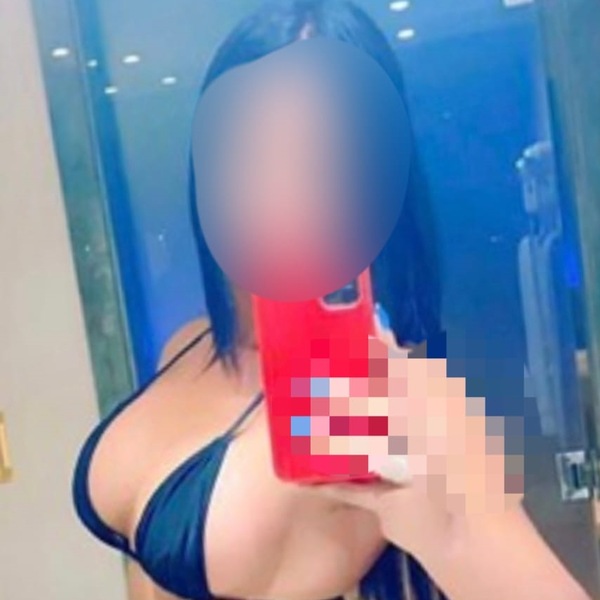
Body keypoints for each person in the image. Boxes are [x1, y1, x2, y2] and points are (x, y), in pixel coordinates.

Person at [72, 2, 591, 600]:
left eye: (319, 157)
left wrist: (450, 535)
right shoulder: (189, 342)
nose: (276, 190)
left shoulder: (390, 398)